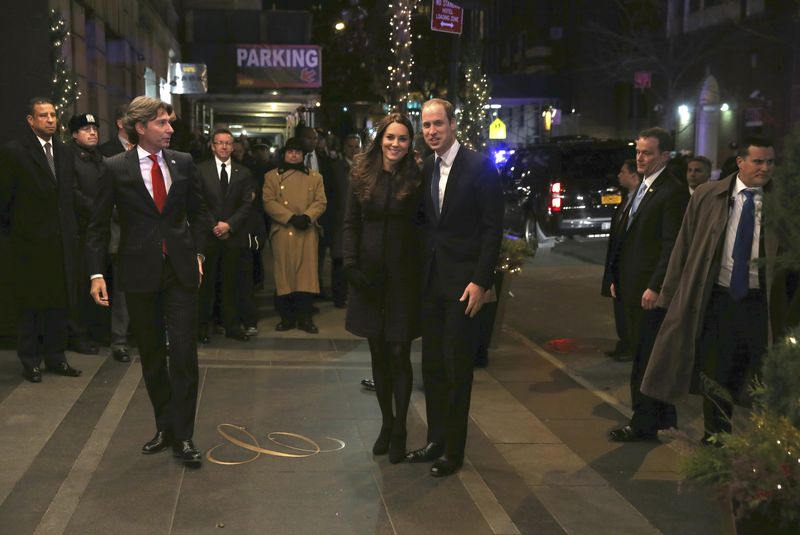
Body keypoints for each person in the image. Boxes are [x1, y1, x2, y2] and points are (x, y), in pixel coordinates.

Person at [86, 96, 210, 466]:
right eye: (162, 123)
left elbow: (201, 214)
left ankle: (184, 437)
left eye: (169, 122)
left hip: (181, 271)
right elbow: (95, 226)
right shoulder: (114, 167)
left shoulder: (184, 163)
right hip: (139, 272)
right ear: (140, 128)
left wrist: (199, 253)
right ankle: (165, 427)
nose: (170, 129)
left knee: (185, 354)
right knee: (153, 355)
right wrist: (96, 273)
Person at [642, 138, 784, 442]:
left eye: (770, 162)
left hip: (762, 302)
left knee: (762, 373)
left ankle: (764, 441)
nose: (765, 168)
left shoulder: (782, 202)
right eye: (758, 162)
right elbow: (684, 244)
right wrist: (667, 295)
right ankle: (716, 436)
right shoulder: (710, 195)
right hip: (718, 298)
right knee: (716, 370)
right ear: (740, 162)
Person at [405, 98, 503, 477]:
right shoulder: (426, 166)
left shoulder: (479, 166)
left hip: (464, 285)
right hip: (431, 283)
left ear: (453, 125)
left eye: (438, 124)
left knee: (457, 367)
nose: (431, 131)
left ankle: (454, 450)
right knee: (431, 366)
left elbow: (492, 228)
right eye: (426, 125)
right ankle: (435, 440)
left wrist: (481, 280)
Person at [343, 114, 421, 464]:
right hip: (368, 277)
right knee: (377, 352)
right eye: (391, 137)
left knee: (399, 353)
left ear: (410, 143)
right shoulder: (361, 174)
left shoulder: (417, 176)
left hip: (404, 278)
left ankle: (401, 428)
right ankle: (386, 424)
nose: (396, 144)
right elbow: (350, 223)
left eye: (403, 139)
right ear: (380, 139)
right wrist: (350, 265)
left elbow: (424, 228)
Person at [607, 127, 689, 442]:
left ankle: (643, 420)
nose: (640, 158)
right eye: (638, 152)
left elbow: (671, 245)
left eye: (648, 153)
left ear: (665, 156)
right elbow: (624, 238)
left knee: (644, 358)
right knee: (643, 353)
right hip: (630, 286)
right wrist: (615, 278)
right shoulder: (642, 186)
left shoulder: (672, 191)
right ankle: (662, 416)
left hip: (648, 291)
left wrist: (656, 285)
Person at [0, 97, 82, 383]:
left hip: (61, 242)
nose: (50, 120)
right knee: (31, 305)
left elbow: (67, 196)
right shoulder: (14, 152)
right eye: (43, 115)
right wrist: (17, 235)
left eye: (53, 115)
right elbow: (5, 200)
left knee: (59, 303)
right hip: (29, 244)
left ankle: (56, 357)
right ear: (31, 120)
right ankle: (31, 361)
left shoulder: (64, 151)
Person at [263, 137, 327, 333]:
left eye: (297, 152)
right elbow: (268, 201)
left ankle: (305, 319)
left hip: (307, 231)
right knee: (284, 276)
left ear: (303, 156)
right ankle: (286, 318)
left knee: (306, 277)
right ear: (284, 154)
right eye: (290, 152)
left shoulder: (315, 177)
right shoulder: (272, 176)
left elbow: (321, 201)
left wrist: (307, 217)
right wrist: (290, 218)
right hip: (283, 230)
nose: (293, 155)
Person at [196, 128, 254, 343]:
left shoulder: (243, 172)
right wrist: (215, 226)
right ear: (212, 146)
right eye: (219, 142)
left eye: (228, 143)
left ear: (233, 146)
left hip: (233, 236)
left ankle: (232, 326)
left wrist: (229, 225)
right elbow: (198, 202)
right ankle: (202, 327)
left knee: (232, 283)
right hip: (208, 237)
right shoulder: (200, 170)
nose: (224, 146)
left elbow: (247, 203)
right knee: (205, 285)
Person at [68, 112, 108, 356]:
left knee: (100, 279)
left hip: (100, 229)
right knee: (81, 283)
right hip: (80, 230)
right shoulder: (70, 158)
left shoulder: (100, 158)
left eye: (94, 128)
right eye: (85, 129)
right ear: (74, 134)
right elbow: (73, 192)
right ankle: (78, 334)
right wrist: (99, 210)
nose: (92, 132)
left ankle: (97, 330)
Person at [96, 103, 133, 362]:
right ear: (121, 123)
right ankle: (119, 339)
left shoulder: (151, 151)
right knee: (121, 290)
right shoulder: (107, 155)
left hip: (148, 232)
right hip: (121, 232)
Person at [601, 159, 641, 361]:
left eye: (622, 172)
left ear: (633, 175)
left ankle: (631, 346)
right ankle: (624, 343)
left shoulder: (638, 201)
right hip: (618, 265)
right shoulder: (626, 198)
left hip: (628, 266)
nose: (619, 175)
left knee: (629, 309)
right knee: (620, 306)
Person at [298, 125, 336, 299]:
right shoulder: (292, 160)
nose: (312, 142)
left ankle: (316, 289)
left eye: (315, 139)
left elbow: (331, 190)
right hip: (298, 216)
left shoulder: (324, 160)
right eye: (308, 138)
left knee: (318, 255)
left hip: (321, 217)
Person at [332, 134, 362, 308]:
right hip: (340, 219)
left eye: (356, 147)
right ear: (344, 148)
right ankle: (339, 296)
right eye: (350, 147)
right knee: (339, 260)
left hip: (358, 220)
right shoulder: (336, 167)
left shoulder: (365, 168)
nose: (353, 150)